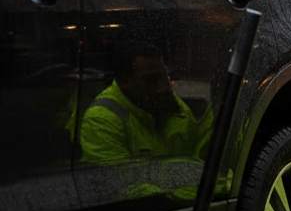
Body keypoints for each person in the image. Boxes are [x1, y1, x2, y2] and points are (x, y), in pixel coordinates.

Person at [80, 41, 214, 198]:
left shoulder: (173, 106)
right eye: (151, 79)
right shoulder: (101, 119)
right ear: (124, 81)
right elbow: (121, 185)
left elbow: (197, 159)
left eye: (165, 78)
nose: (163, 87)